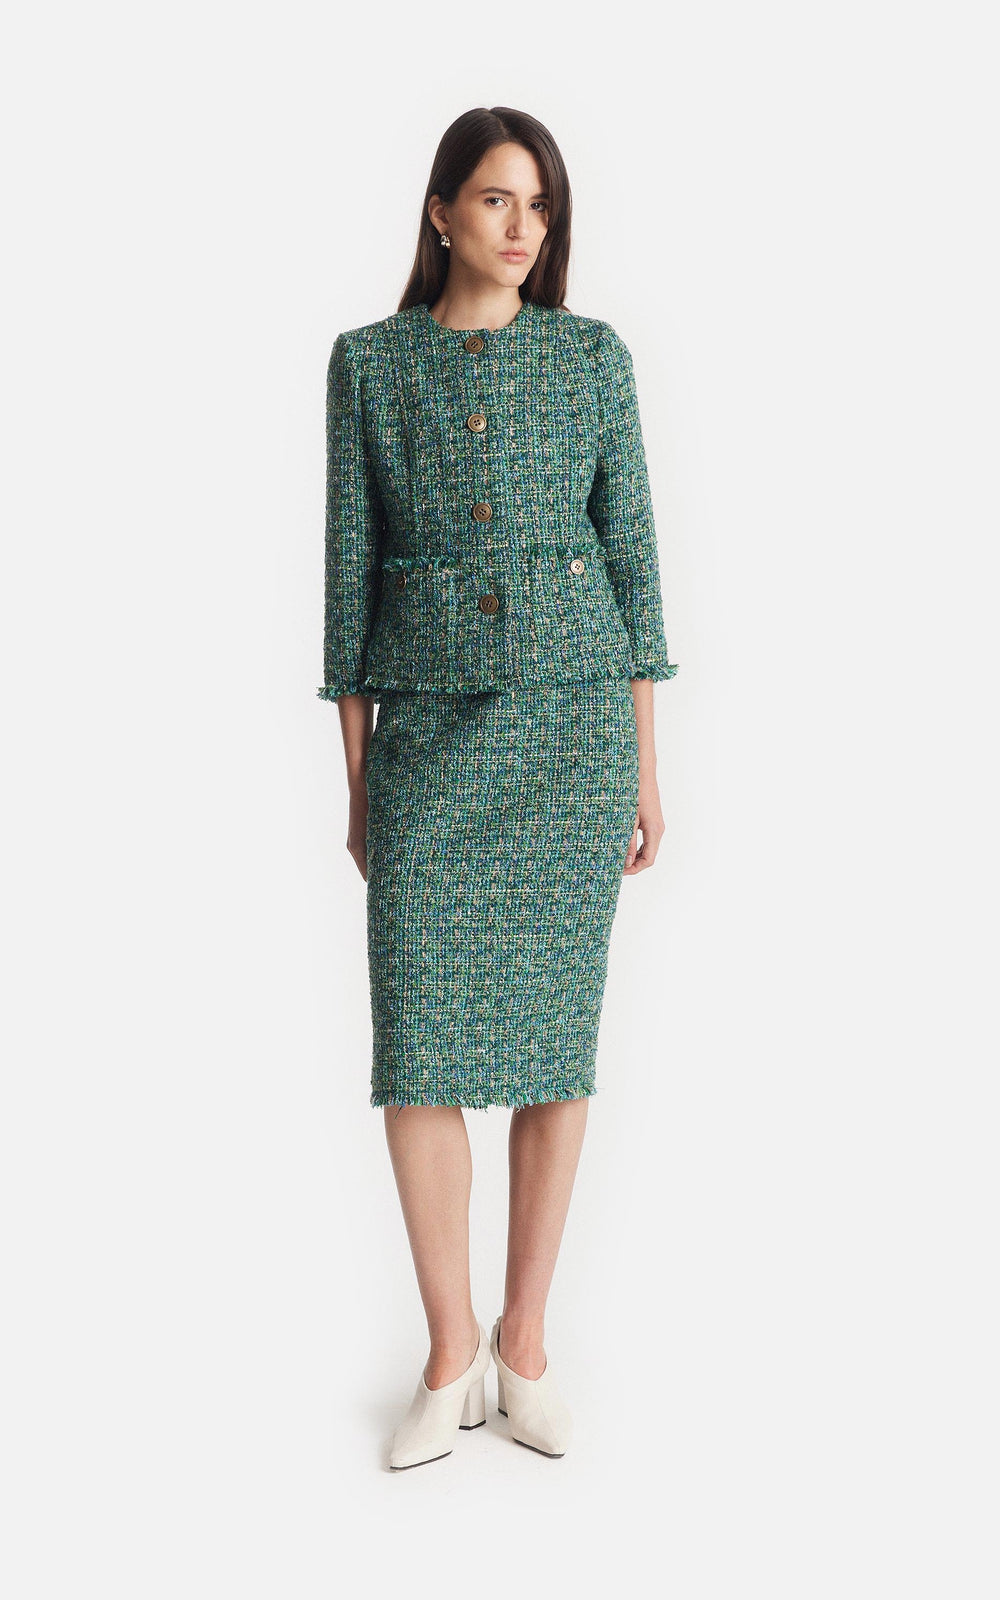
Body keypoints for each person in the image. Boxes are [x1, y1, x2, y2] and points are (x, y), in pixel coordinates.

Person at [317, 106, 679, 1470]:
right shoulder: (369, 364)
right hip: (426, 741)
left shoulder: (593, 358)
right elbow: (348, 577)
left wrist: (646, 770)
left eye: (540, 206)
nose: (524, 228)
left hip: (574, 741)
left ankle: (523, 1345)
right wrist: (361, 784)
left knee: (552, 1048)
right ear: (441, 213)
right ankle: (447, 1349)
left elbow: (634, 564)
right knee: (418, 1050)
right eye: (495, 200)